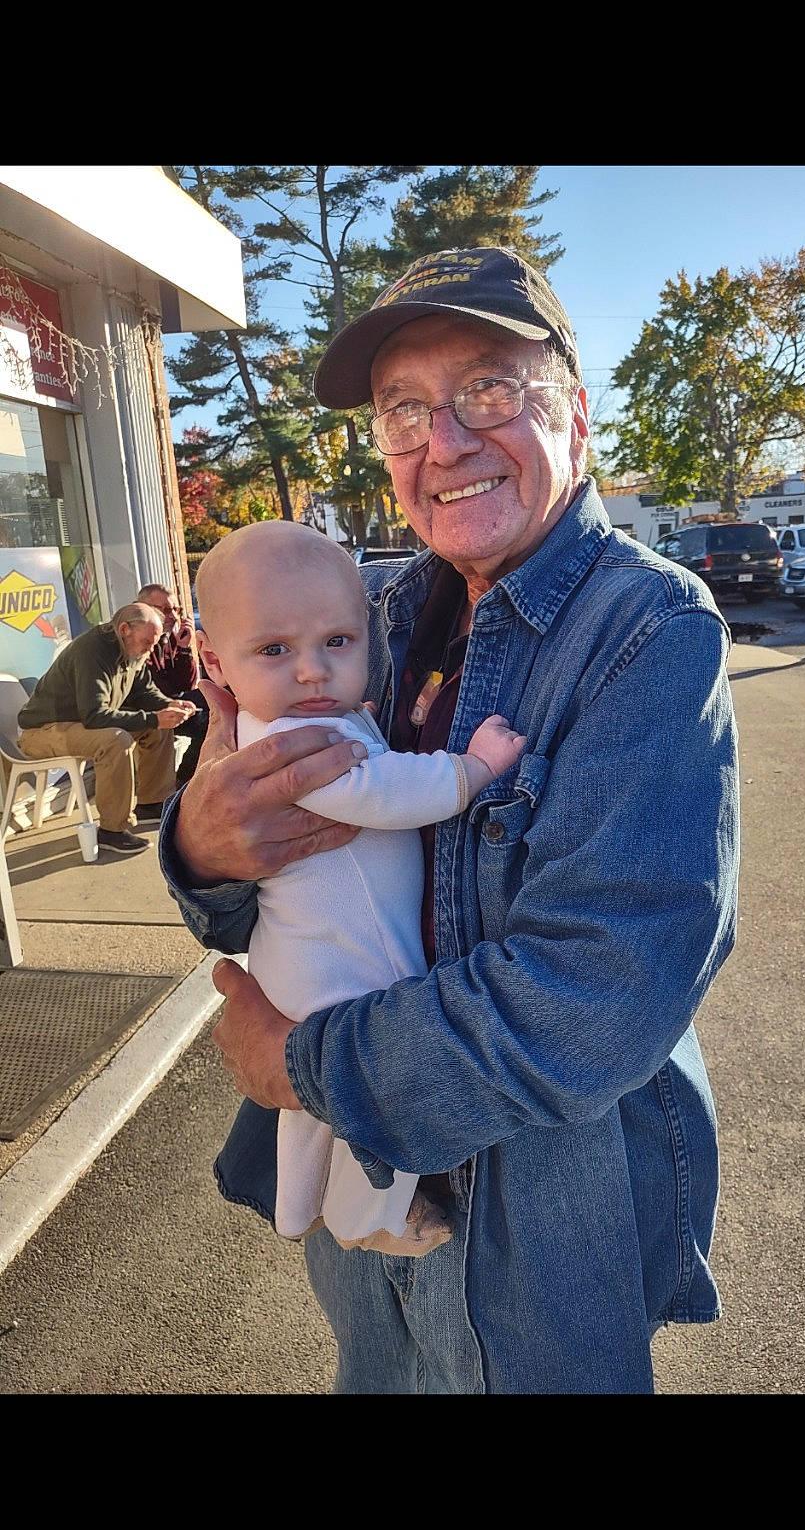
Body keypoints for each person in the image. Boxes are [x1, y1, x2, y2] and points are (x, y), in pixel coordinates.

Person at [160, 245, 741, 1395]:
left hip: (537, 1234)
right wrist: (199, 850)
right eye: (405, 410)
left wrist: (300, 1061)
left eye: (487, 389)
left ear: (576, 411)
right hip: (365, 1223)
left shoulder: (650, 630)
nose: (445, 442)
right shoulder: (366, 610)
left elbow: (595, 995)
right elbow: (241, 872)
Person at [193, 518, 526, 1257]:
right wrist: (470, 771)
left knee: (314, 1111)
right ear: (214, 660)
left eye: (336, 643)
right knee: (347, 1098)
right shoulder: (285, 744)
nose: (312, 671)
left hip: (323, 947)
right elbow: (380, 794)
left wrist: (365, 732)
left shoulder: (307, 720)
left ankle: (314, 1210)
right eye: (274, 650)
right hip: (339, 958)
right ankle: (371, 1217)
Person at [18, 602, 198, 853]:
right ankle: (112, 830)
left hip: (81, 723)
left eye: (154, 642)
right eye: (147, 642)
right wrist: (155, 717)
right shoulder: (91, 651)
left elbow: (144, 691)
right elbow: (95, 716)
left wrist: (169, 705)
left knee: (160, 725)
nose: (150, 649)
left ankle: (151, 804)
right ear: (124, 629)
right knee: (116, 739)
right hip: (43, 730)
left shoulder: (132, 648)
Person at [135, 582, 209, 813]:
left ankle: (185, 782)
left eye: (176, 610)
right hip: (141, 709)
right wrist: (176, 701)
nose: (173, 616)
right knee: (206, 722)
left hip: (166, 702)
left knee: (217, 703)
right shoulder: (138, 640)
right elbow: (151, 688)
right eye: (166, 610)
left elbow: (186, 684)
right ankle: (183, 785)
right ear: (142, 608)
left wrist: (184, 648)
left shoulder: (167, 639)